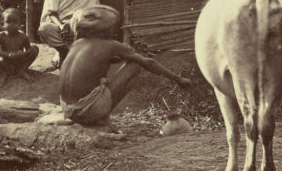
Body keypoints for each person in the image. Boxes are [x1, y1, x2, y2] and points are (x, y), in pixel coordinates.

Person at [53, 21, 184, 126]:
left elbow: (101, 61)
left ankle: (95, 114)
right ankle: (101, 118)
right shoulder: (110, 45)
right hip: (84, 112)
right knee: (135, 65)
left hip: (67, 110)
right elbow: (149, 63)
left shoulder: (78, 44)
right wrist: (179, 79)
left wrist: (123, 55)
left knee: (103, 76)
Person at [0, 6, 38, 84]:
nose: (12, 25)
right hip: (4, 64)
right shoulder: (1, 35)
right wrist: (8, 55)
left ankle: (21, 71)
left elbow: (29, 50)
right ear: (3, 24)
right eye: (8, 22)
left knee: (35, 49)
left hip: (18, 63)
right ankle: (2, 74)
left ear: (20, 24)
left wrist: (22, 54)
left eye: (15, 22)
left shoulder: (23, 37)